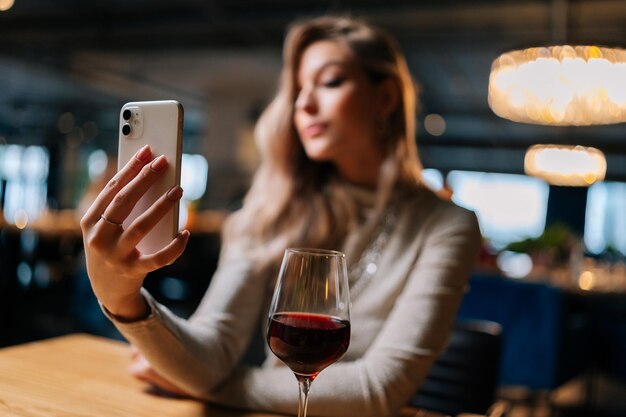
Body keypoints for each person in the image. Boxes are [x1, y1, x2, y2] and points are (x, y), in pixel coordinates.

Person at [80, 16, 481, 417]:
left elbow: (377, 389)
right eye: (299, 89)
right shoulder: (271, 204)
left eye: (330, 82)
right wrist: (122, 299)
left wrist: (215, 387)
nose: (304, 104)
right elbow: (210, 353)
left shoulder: (447, 227)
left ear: (386, 98)